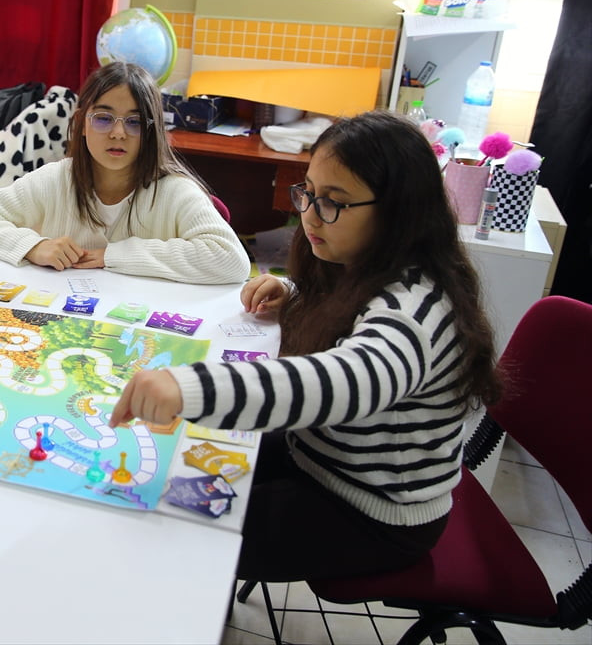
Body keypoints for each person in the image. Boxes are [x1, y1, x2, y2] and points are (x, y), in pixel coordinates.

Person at [108, 111, 501, 582]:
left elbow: (338, 382)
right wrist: (296, 296)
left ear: (398, 210)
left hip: (375, 512)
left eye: (333, 203)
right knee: (168, 480)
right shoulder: (363, 258)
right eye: (308, 193)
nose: (309, 215)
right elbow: (350, 311)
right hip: (318, 455)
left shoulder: (417, 310)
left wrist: (188, 388)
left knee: (181, 540)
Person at [0, 61, 250, 284]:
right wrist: (33, 246)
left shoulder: (175, 191)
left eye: (134, 122)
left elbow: (232, 260)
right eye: (104, 119)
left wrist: (115, 255)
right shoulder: (56, 179)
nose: (118, 133)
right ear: (81, 123)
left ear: (151, 131)